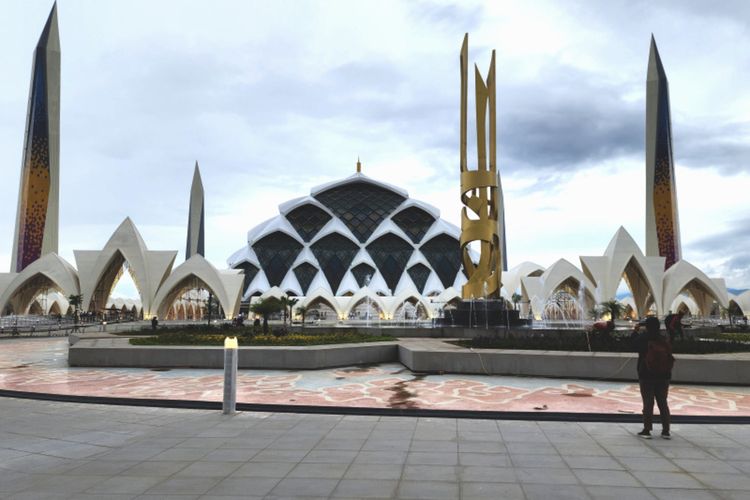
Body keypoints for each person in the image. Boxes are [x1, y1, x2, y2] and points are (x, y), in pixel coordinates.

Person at [633, 316, 673, 439]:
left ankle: (647, 430)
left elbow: (633, 346)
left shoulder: (643, 338)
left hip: (647, 374)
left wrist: (635, 332)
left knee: (648, 402)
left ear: (647, 326)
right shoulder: (663, 338)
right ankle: (666, 431)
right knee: (662, 402)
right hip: (664, 374)